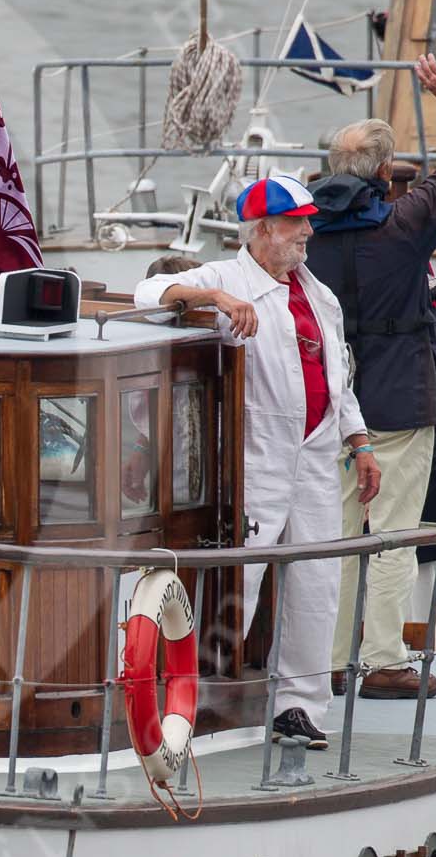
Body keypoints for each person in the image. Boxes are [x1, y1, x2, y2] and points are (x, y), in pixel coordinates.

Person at [136, 175, 381, 748]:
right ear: (264, 228)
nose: (308, 232)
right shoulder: (227, 277)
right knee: (237, 580)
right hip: (257, 458)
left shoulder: (320, 297)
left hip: (317, 455)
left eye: (307, 221)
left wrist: (361, 442)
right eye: (297, 222)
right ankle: (193, 702)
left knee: (316, 583)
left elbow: (338, 379)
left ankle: (298, 705)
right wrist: (216, 300)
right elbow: (149, 295)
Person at [306, 53, 436, 700]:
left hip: (331, 407)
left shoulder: (304, 237)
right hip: (400, 402)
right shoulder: (406, 226)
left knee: (336, 532)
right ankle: (383, 658)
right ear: (386, 174)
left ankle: (325, 658)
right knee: (392, 534)